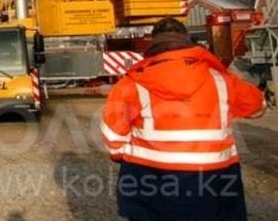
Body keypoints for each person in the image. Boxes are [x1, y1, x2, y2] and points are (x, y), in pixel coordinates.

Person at [101, 18, 264, 221]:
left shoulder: (132, 83)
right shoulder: (221, 79)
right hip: (216, 181)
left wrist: (126, 154)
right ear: (188, 40)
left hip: (150, 182)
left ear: (153, 43)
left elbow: (114, 139)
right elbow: (258, 107)